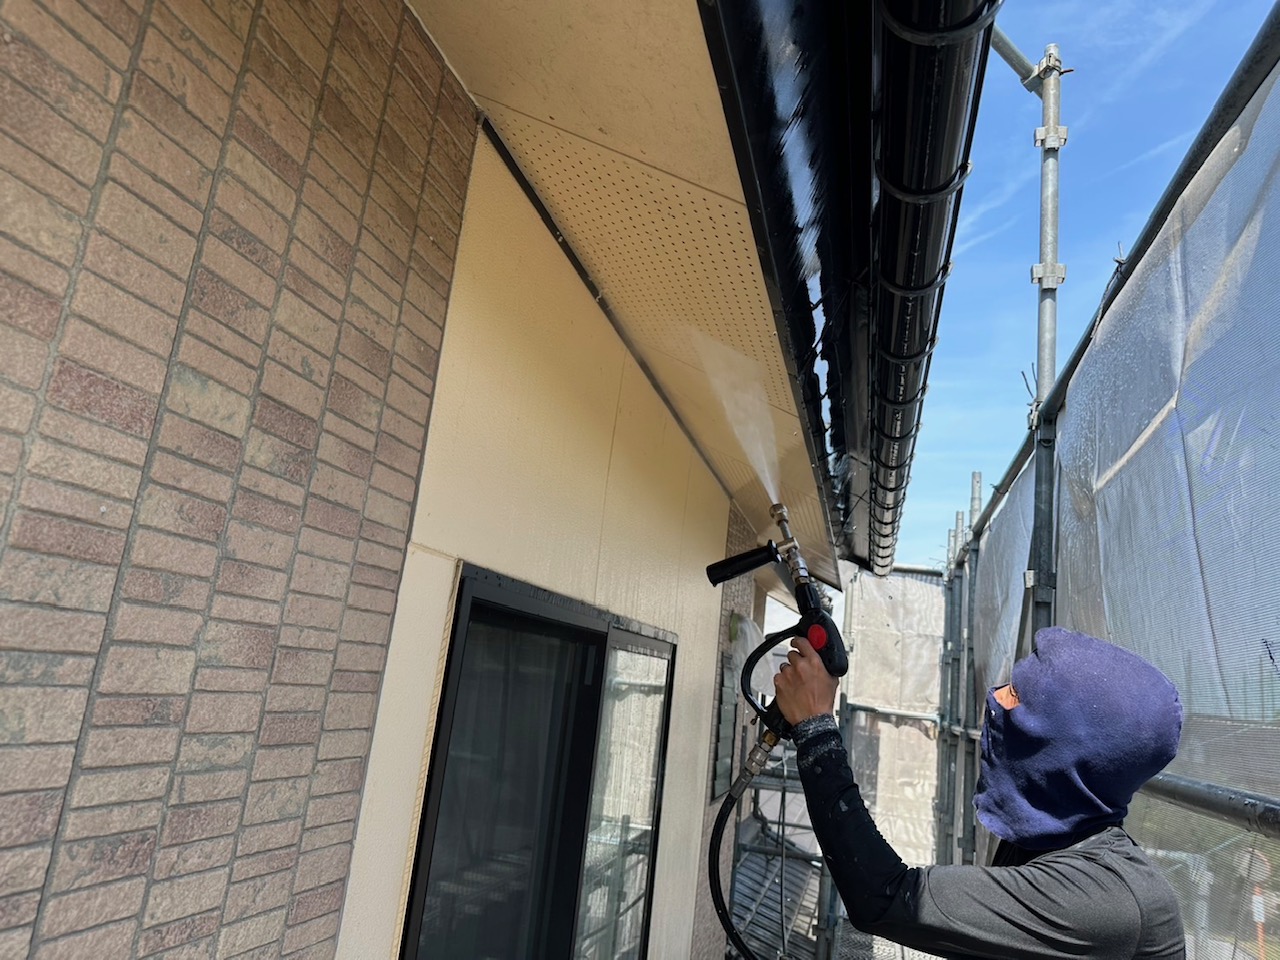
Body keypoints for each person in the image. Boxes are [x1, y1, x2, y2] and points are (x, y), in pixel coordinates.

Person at [772, 625, 1186, 959]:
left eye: (1019, 695)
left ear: (1064, 747)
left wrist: (815, 729)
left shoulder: (1104, 901)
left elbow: (884, 898)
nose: (997, 698)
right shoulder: (1058, 838)